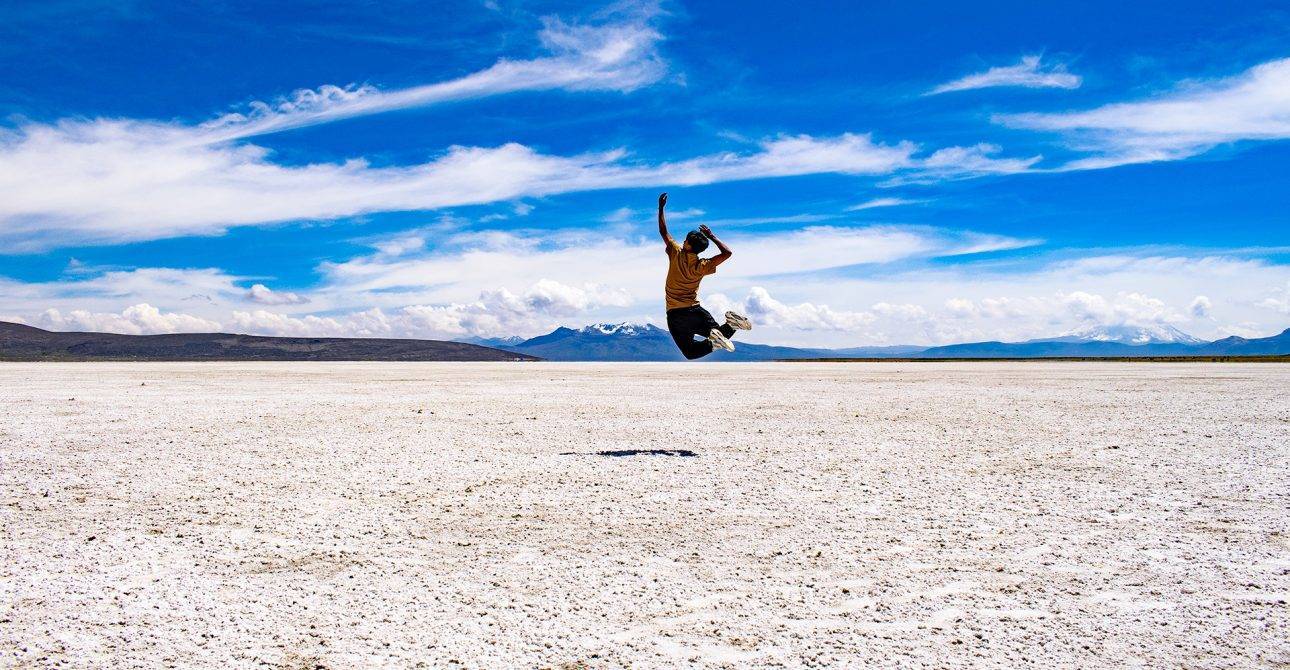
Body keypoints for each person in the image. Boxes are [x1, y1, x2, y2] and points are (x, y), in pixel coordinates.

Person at [657, 192, 752, 359]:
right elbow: (727, 253)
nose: (683, 241)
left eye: (685, 240)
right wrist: (712, 236)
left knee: (690, 352)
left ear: (687, 244)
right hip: (695, 311)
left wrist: (661, 208)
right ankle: (732, 325)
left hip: (675, 315)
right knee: (719, 335)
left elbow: (664, 232)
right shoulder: (702, 265)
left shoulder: (675, 252)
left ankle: (727, 330)